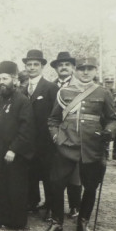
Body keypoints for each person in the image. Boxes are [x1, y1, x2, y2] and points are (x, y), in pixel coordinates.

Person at [42, 57, 116, 231]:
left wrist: (108, 131)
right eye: (82, 68)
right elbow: (53, 119)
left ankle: (83, 222)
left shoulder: (103, 93)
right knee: (56, 184)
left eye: (90, 68)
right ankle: (57, 222)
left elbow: (113, 119)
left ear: (95, 70)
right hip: (66, 145)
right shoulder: (64, 91)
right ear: (75, 70)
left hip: (92, 147)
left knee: (90, 186)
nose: (85, 72)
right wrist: (57, 137)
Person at [0, 61, 35, 229]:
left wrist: (14, 149)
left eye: (5, 78)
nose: (1, 82)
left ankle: (12, 221)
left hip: (12, 154)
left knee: (12, 186)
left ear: (14, 80)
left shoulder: (22, 101)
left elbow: (27, 129)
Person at [23, 49, 59, 218]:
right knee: (30, 173)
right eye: (29, 65)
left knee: (48, 174)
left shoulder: (51, 88)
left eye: (35, 64)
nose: (32, 68)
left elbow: (56, 114)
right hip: (28, 140)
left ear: (42, 66)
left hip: (45, 140)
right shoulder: (22, 89)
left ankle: (51, 206)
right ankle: (32, 202)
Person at [50, 51, 81, 218]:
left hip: (73, 135)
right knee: (55, 173)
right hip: (55, 134)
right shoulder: (51, 86)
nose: (63, 67)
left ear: (73, 68)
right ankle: (52, 205)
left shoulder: (80, 86)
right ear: (56, 69)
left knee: (74, 173)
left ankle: (75, 205)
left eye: (67, 65)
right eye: (60, 65)